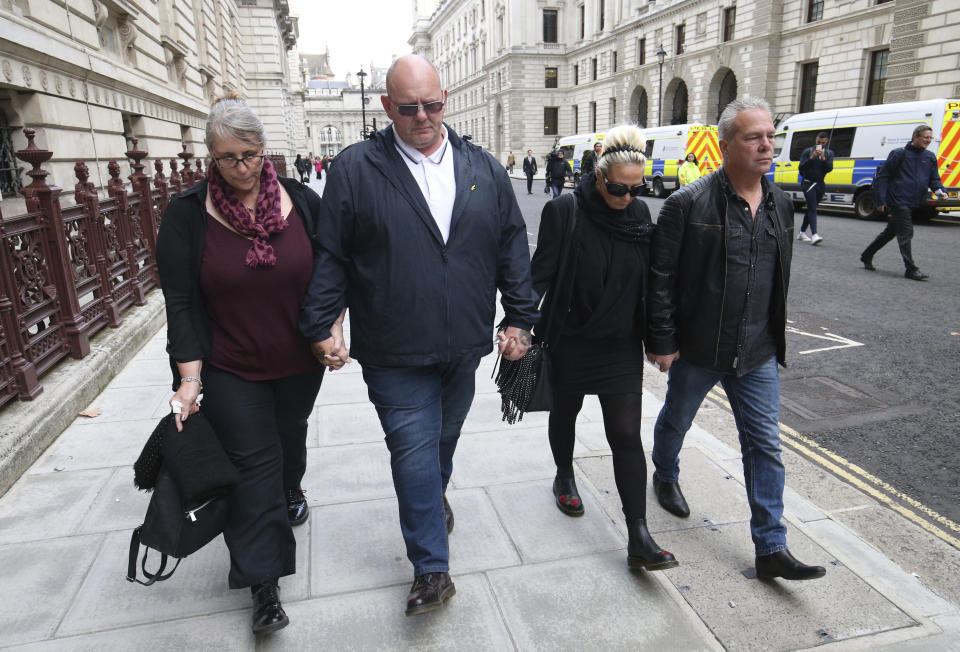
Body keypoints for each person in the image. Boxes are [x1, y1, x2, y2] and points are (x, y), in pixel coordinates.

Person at [299, 54, 539, 617]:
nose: (423, 117)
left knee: (441, 443)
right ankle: (431, 567)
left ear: (446, 99)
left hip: (464, 344)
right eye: (409, 108)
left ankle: (431, 500)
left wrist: (520, 318)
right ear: (387, 107)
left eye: (432, 104)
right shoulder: (357, 168)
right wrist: (320, 324)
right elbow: (331, 254)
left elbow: (511, 246)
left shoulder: (483, 167)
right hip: (393, 347)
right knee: (412, 452)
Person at [156, 95, 335, 634]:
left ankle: (291, 487)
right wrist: (189, 380)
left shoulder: (301, 202)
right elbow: (182, 304)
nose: (241, 168)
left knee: (287, 441)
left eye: (251, 155)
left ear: (264, 152)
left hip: (299, 361)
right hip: (230, 365)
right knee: (253, 467)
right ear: (211, 157)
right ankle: (264, 586)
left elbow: (329, 276)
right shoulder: (187, 217)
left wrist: (331, 330)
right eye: (228, 158)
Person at [646, 97, 826, 582]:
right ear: (726, 146)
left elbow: (774, 276)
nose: (767, 145)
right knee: (676, 420)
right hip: (700, 347)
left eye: (770, 136)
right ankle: (665, 474)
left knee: (765, 445)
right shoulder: (686, 203)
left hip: (757, 351)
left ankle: (770, 547)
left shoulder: (782, 203)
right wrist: (662, 340)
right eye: (754, 137)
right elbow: (660, 277)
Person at [531, 125, 678, 572]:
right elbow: (538, 275)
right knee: (566, 413)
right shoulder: (564, 211)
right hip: (572, 339)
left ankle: (638, 535)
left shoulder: (639, 215)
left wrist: (660, 339)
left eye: (637, 189)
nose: (628, 196)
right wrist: (518, 325)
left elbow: (656, 283)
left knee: (626, 435)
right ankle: (564, 474)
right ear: (598, 176)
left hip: (619, 345)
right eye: (619, 187)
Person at [861, 124, 946, 280]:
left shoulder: (929, 157)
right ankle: (911, 269)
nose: (928, 140)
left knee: (890, 232)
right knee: (906, 232)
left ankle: (866, 255)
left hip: (914, 200)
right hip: (898, 200)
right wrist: (881, 200)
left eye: (930, 138)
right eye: (925, 137)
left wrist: (940, 191)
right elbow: (883, 177)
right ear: (915, 137)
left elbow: (934, 178)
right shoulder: (899, 153)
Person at [796, 132, 833, 245]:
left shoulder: (829, 153)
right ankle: (815, 234)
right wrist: (811, 158)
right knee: (812, 207)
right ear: (816, 140)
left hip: (820, 184)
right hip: (808, 183)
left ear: (826, 142)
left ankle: (802, 232)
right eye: (818, 142)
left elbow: (829, 169)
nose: (820, 145)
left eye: (823, 143)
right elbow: (801, 167)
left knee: (811, 208)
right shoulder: (808, 152)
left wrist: (823, 158)